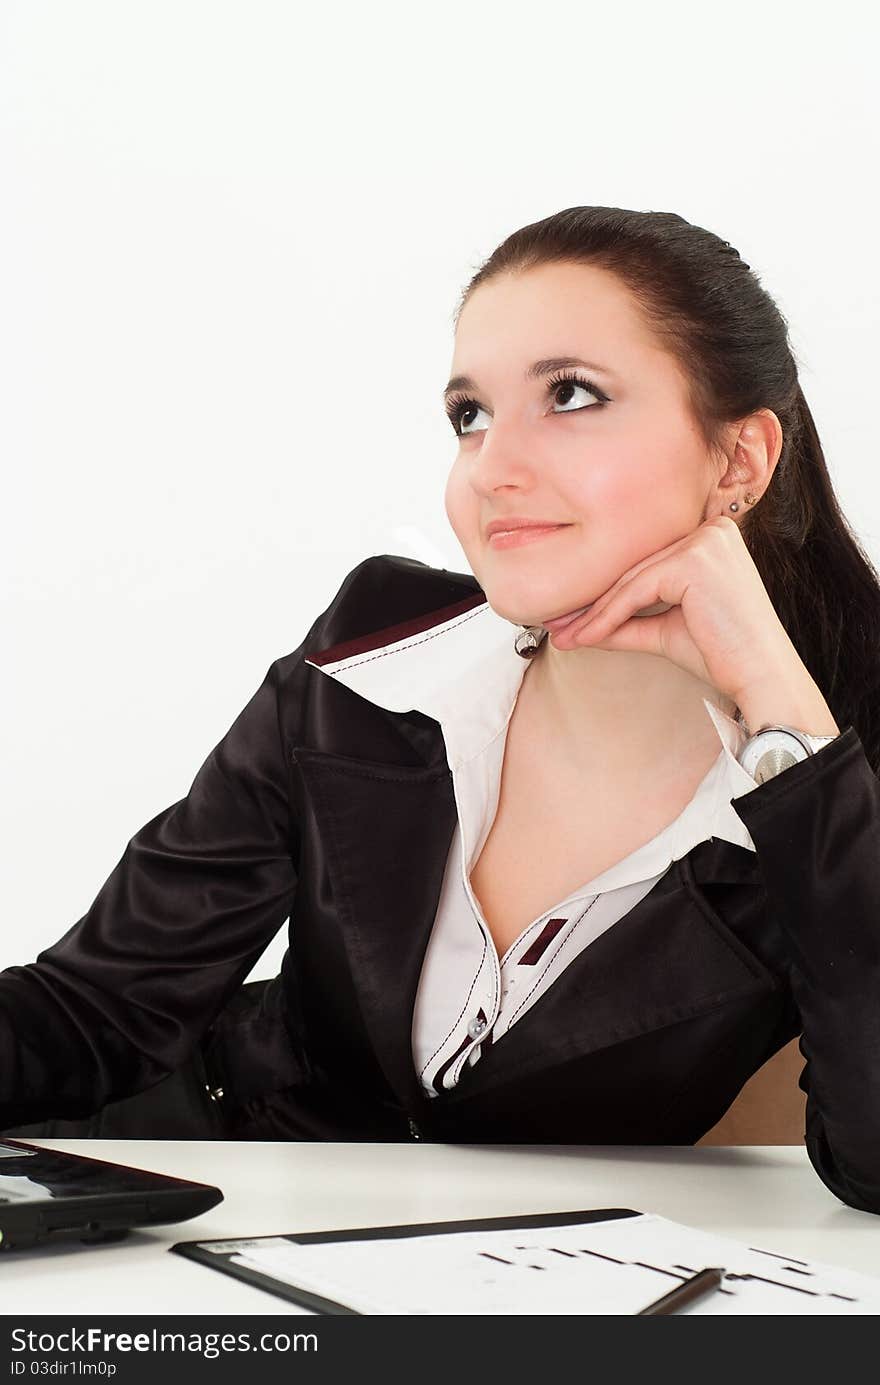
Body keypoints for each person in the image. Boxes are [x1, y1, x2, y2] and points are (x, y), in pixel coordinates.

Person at [3, 205, 880, 1215]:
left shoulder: (832, 769)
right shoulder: (371, 655)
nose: (490, 468)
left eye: (570, 394)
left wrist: (780, 716)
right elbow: (94, 1010)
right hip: (202, 1194)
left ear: (737, 462)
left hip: (524, 1289)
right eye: (470, 413)